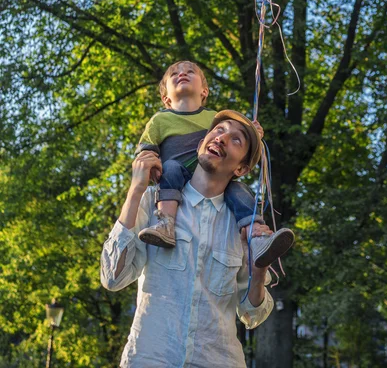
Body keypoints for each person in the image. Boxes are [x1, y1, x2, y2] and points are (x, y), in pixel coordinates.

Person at [101, 111, 276, 368]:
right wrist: (135, 189)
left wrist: (258, 270)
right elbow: (113, 278)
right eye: (218, 131)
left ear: (241, 168)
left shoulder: (246, 228)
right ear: (200, 145)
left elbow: (251, 316)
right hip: (150, 359)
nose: (222, 138)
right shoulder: (152, 202)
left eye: (236, 140)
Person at [135, 60, 294, 267]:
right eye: (174, 74)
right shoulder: (159, 120)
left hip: (208, 177)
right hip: (174, 175)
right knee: (172, 167)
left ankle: (256, 235)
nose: (182, 74)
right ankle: (165, 223)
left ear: (204, 91)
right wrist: (151, 164)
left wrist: (252, 131)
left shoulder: (214, 118)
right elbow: (146, 147)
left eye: (190, 72)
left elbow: (232, 137)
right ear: (166, 98)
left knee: (238, 190)